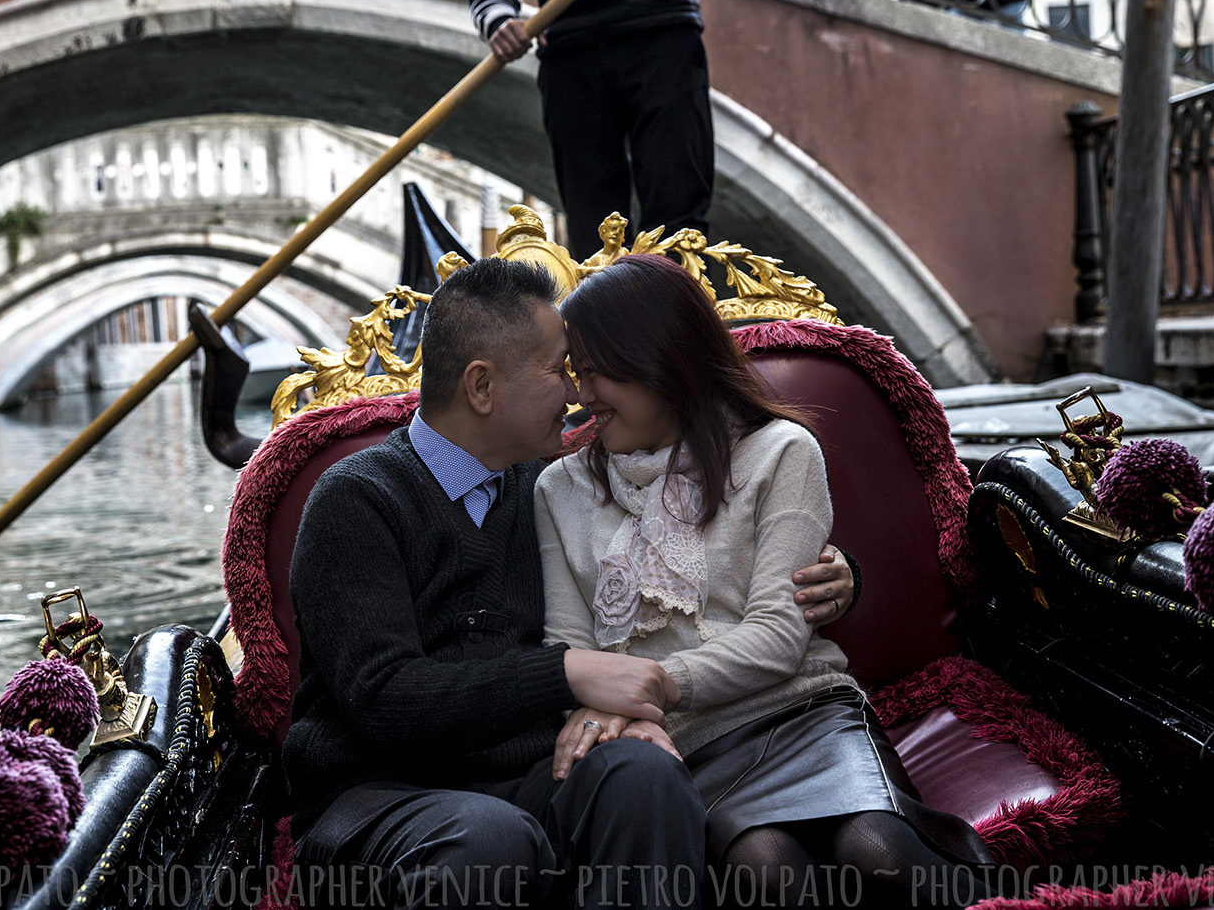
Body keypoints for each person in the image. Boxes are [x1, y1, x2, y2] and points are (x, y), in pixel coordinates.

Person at [283, 256, 856, 909]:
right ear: (481, 387)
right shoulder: (358, 499)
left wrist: (843, 575)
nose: (577, 392)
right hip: (381, 801)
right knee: (487, 837)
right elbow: (381, 696)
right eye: (560, 369)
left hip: (533, 779)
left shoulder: (546, 486)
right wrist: (567, 674)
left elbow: (693, 537)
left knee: (645, 772)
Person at [536, 254, 995, 909]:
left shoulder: (781, 451)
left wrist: (654, 682)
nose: (581, 393)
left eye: (594, 369)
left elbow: (780, 636)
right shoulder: (560, 486)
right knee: (767, 866)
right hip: (683, 748)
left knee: (880, 850)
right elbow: (566, 649)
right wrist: (610, 702)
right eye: (574, 371)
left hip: (802, 714)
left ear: (661, 358)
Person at [467, 0, 782, 260]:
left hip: (661, 43)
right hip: (572, 62)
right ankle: (609, 321)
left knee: (678, 217)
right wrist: (499, 22)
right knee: (594, 234)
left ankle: (676, 318)